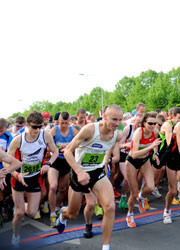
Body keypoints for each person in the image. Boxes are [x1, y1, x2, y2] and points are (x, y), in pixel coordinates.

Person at [56, 105, 123, 250]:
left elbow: (110, 146)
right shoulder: (90, 130)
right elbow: (67, 151)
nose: (117, 123)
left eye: (120, 120)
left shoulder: (118, 134)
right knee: (73, 213)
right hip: (78, 172)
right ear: (104, 116)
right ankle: (63, 214)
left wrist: (105, 160)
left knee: (110, 207)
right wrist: (79, 172)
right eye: (114, 119)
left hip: (97, 172)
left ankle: (106, 246)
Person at [7, 111, 59, 247]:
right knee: (19, 214)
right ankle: (15, 236)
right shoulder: (18, 140)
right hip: (19, 176)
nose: (37, 130)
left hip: (35, 177)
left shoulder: (45, 135)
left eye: (40, 127)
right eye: (34, 127)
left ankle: (19, 205)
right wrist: (16, 175)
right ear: (27, 125)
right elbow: (6, 161)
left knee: (31, 212)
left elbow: (56, 151)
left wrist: (48, 164)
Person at [125, 112, 161, 228]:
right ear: (144, 123)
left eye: (155, 123)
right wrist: (150, 147)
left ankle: (142, 197)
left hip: (145, 160)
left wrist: (155, 153)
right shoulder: (138, 133)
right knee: (133, 193)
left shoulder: (155, 132)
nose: (152, 126)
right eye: (150, 123)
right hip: (132, 161)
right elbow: (134, 154)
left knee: (151, 187)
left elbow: (156, 144)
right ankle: (130, 214)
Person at [48, 112, 78, 227]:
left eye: (66, 123)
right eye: (61, 123)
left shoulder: (73, 130)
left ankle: (56, 206)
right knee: (53, 186)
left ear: (69, 122)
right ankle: (52, 213)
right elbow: (47, 145)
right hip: (55, 160)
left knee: (63, 188)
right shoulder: (54, 130)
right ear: (58, 122)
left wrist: (70, 147)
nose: (64, 125)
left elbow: (81, 143)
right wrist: (58, 147)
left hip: (66, 161)